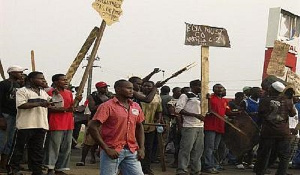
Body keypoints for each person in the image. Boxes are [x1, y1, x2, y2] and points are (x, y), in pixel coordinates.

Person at [88, 79, 145, 175]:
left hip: (131, 150)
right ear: (118, 89)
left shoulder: (135, 106)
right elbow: (92, 127)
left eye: (132, 89)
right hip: (113, 150)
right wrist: (106, 148)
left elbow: (139, 127)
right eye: (128, 88)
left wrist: (142, 148)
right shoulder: (107, 106)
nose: (132, 91)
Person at [7, 71, 51, 175]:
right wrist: (40, 103)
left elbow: (50, 102)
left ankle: (37, 170)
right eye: (40, 78)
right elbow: (21, 105)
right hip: (25, 125)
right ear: (31, 79)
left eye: (43, 78)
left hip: (41, 124)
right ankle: (14, 169)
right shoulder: (22, 91)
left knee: (37, 150)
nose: (43, 80)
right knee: (18, 149)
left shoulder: (43, 92)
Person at [255, 81, 296, 175]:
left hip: (268, 132)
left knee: (264, 154)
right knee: (284, 156)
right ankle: (281, 173)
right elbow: (292, 114)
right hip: (283, 132)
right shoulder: (287, 101)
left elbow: (260, 114)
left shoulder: (264, 100)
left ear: (271, 89)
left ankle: (260, 172)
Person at [44, 74, 76, 175]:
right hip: (56, 122)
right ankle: (50, 167)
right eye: (63, 80)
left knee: (66, 147)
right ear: (56, 82)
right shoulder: (50, 92)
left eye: (66, 80)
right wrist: (65, 109)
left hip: (68, 123)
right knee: (54, 146)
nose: (66, 82)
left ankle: (60, 168)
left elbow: (71, 106)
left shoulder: (69, 93)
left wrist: (75, 103)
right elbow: (49, 107)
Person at [76, 81, 110, 166]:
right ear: (98, 88)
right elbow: (92, 108)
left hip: (106, 121)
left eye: (106, 87)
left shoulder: (109, 96)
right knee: (89, 141)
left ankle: (94, 156)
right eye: (103, 87)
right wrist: (105, 103)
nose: (105, 89)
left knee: (102, 141)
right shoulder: (93, 96)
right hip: (96, 120)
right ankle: (82, 160)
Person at [175, 80, 205, 175]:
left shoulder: (202, 97)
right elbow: (178, 109)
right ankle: (182, 170)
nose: (201, 88)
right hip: (189, 126)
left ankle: (196, 170)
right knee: (186, 149)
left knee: (198, 150)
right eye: (199, 86)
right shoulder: (186, 96)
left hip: (200, 126)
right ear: (193, 86)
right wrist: (195, 115)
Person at [0, 65, 26, 172]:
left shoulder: (19, 86)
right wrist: (0, 117)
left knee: (10, 141)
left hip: (15, 115)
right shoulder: (4, 84)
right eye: (19, 72)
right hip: (5, 115)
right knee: (2, 140)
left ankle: (4, 164)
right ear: (12, 73)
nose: (21, 74)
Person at [203, 84, 232, 174]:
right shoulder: (209, 98)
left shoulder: (224, 100)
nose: (220, 89)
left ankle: (214, 164)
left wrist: (239, 112)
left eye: (221, 88)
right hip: (210, 126)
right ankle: (207, 165)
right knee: (209, 147)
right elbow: (206, 109)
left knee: (215, 148)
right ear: (214, 89)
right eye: (217, 88)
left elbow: (228, 112)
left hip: (220, 126)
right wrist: (207, 100)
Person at [140, 81, 163, 175]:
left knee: (148, 148)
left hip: (151, 126)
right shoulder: (138, 96)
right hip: (138, 127)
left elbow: (159, 110)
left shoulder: (157, 97)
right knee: (138, 147)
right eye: (144, 86)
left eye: (149, 86)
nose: (146, 88)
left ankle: (146, 168)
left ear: (152, 87)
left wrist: (158, 120)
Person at [166, 87, 181, 168]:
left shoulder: (184, 101)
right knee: (177, 144)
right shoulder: (171, 102)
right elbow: (173, 113)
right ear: (173, 92)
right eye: (178, 91)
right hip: (176, 125)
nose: (180, 93)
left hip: (186, 125)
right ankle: (176, 161)